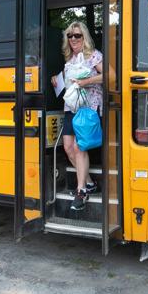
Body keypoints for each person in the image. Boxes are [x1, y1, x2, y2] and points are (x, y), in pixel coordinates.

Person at [51, 21, 102, 211]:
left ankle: (81, 191)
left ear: (84, 37)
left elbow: (110, 76)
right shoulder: (70, 60)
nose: (73, 39)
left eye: (77, 35)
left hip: (88, 109)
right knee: (68, 147)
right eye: (70, 36)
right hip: (70, 108)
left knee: (80, 147)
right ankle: (89, 182)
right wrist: (56, 78)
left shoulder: (93, 56)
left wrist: (86, 81)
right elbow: (67, 81)